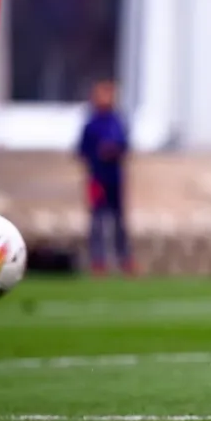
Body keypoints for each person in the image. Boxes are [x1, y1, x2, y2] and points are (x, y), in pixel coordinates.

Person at [77, 80, 135, 276]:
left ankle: (125, 260)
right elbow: (82, 151)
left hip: (115, 180)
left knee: (119, 221)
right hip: (98, 178)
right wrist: (97, 158)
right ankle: (98, 261)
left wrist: (114, 151)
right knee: (97, 221)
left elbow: (125, 145)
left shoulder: (117, 121)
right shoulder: (91, 124)